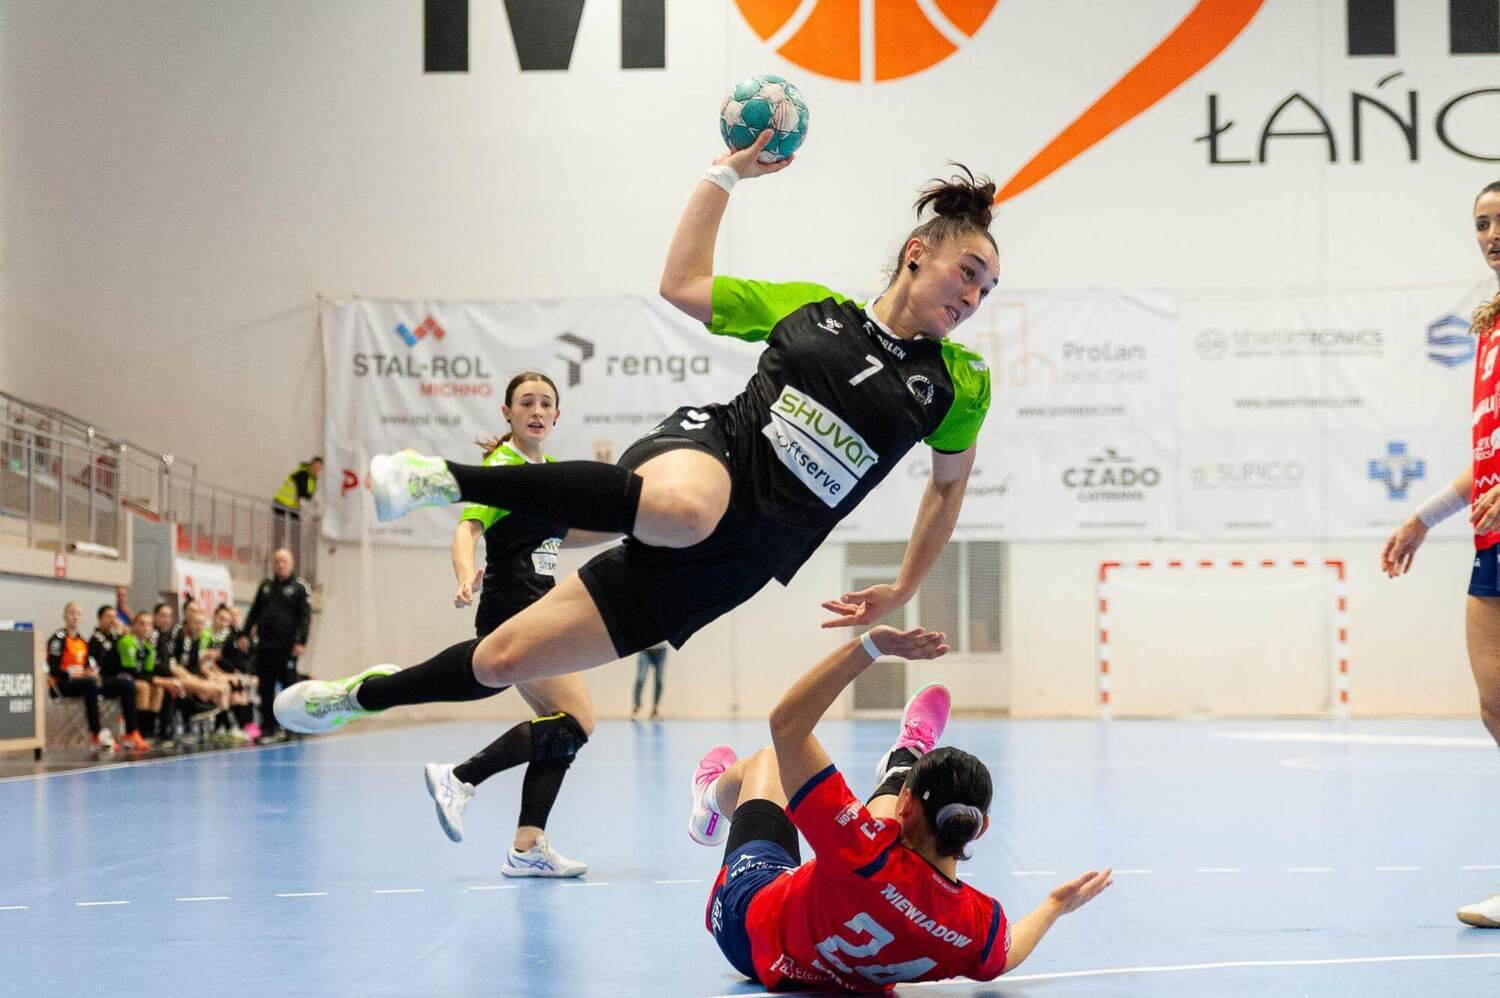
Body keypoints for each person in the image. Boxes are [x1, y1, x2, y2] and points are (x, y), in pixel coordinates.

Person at [278, 134, 996, 738]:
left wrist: (905, 586)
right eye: (967, 273)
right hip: (712, 456)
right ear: (916, 252)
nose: (972, 297)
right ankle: (443, 478)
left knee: (501, 660)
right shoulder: (810, 311)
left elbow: (948, 486)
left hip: (741, 558)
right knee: (686, 511)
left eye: (986, 290)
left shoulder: (959, 384)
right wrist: (726, 175)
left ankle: (358, 696)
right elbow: (682, 283)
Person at [688, 623, 1110, 990]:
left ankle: (708, 800)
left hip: (747, 925)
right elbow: (1006, 954)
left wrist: (870, 645)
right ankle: (905, 756)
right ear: (980, 828)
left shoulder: (862, 848)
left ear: (906, 803)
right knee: (878, 846)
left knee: (764, 762)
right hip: (828, 953)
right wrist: (1054, 906)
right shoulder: (974, 925)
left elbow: (787, 725)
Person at [422, 371, 609, 878]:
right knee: (579, 720)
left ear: (557, 415)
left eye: (546, 403)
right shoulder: (502, 467)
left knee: (560, 726)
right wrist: (465, 575)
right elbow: (468, 528)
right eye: (526, 402)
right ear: (507, 412)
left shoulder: (548, 473)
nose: (537, 410)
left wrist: (635, 527)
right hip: (515, 609)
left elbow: (560, 537)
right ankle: (460, 777)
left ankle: (527, 846)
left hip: (538, 607)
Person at [1383, 180, 1500, 928]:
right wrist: (1424, 517)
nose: (1491, 234)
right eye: (1482, 223)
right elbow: (1486, 456)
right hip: (1492, 540)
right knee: (1495, 709)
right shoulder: (1490, 327)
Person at [46, 601, 145, 752]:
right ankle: (96, 734)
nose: (75, 617)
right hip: (63, 684)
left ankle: (130, 733)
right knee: (91, 684)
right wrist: (75, 674)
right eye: (71, 613)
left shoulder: (82, 641)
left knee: (126, 684)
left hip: (85, 682)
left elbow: (89, 666)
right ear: (65, 616)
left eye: (78, 614)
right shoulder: (58, 639)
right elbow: (52, 669)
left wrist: (92, 673)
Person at [242, 548, 312, 742]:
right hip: (265, 647)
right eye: (277, 561)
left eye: (284, 561)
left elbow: (305, 618)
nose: (280, 565)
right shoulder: (266, 585)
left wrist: (301, 641)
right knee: (265, 688)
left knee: (289, 688)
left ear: (291, 564)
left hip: (287, 648)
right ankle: (268, 727)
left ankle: (291, 726)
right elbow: (254, 611)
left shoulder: (300, 587)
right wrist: (245, 633)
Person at [117, 610, 178, 747]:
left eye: (149, 625)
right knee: (144, 686)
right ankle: (140, 732)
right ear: (133, 626)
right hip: (117, 677)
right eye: (142, 624)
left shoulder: (149, 647)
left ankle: (150, 731)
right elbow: (131, 671)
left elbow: (148, 673)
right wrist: (161, 680)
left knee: (158, 688)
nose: (146, 628)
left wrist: (161, 682)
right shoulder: (127, 642)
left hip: (133, 678)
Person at [272, 456, 322, 556]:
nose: (316, 470)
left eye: (319, 468)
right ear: (310, 465)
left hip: (293, 507)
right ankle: (278, 556)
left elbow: (308, 495)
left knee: (295, 534)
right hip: (282, 503)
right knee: (280, 533)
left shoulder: (313, 479)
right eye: (315, 467)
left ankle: (293, 557)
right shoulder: (302, 473)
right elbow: (303, 492)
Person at [632, 643, 668, 721]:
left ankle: (655, 710)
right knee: (640, 678)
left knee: (659, 681)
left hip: (661, 649)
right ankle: (637, 708)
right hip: (645, 649)